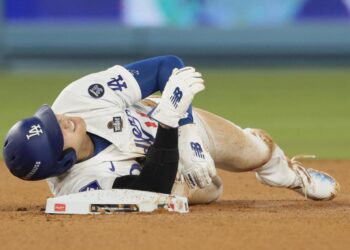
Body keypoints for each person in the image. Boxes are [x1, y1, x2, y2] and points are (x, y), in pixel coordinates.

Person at [3, 56, 340, 204]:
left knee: (255, 152)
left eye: (50, 121)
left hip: (172, 120)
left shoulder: (76, 99)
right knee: (205, 191)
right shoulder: (80, 187)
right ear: (63, 162)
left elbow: (168, 65)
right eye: (55, 133)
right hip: (165, 165)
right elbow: (152, 189)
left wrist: (186, 128)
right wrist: (168, 123)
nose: (62, 120)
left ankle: (287, 175)